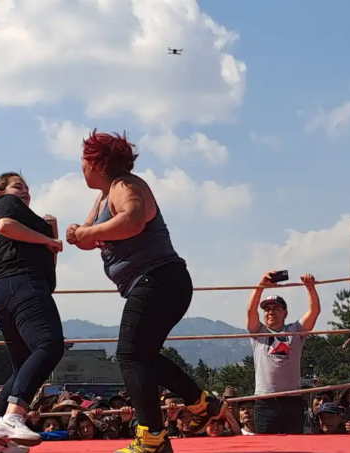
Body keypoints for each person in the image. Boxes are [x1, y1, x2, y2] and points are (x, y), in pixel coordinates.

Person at [66, 130, 227, 453]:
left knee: (129, 354)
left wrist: (87, 232)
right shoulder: (103, 196)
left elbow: (134, 220)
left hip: (158, 279)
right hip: (157, 282)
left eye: (84, 160)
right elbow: (88, 238)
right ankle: (199, 403)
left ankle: (152, 436)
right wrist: (79, 233)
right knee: (143, 357)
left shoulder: (128, 186)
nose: (80, 167)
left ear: (97, 162)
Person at [0, 172, 65, 453]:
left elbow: (48, 264)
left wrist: (49, 236)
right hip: (21, 283)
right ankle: (13, 416)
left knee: (22, 365)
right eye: (18, 186)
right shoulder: (8, 204)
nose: (25, 192)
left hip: (3, 289)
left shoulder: (29, 222)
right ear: (0, 192)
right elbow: (5, 225)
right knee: (49, 345)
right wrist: (46, 238)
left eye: (27, 188)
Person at [246, 271, 321, 435]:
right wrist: (261, 286)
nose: (270, 312)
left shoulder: (295, 330)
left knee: (294, 446)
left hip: (291, 400)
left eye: (276, 308)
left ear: (285, 313)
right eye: (267, 309)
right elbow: (251, 310)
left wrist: (310, 288)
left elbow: (314, 311)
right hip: (265, 400)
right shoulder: (258, 332)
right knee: (266, 447)